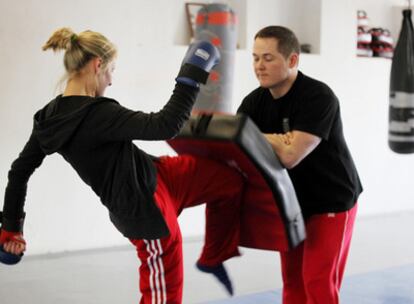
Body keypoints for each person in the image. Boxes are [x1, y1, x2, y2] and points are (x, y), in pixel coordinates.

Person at [0, 27, 244, 303]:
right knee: (163, 297)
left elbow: (18, 172)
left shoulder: (47, 118)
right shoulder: (97, 114)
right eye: (111, 70)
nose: (111, 80)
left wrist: (11, 228)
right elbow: (166, 125)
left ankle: (212, 257)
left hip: (159, 174)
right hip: (144, 209)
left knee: (230, 180)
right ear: (97, 64)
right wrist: (192, 73)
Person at [237, 25, 363, 304]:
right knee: (293, 285)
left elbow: (291, 156)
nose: (259, 66)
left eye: (268, 58)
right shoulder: (253, 103)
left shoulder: (318, 97)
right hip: (292, 204)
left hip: (331, 201)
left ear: (292, 60)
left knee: (318, 282)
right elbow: (239, 149)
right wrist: (280, 139)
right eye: (255, 58)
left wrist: (255, 136)